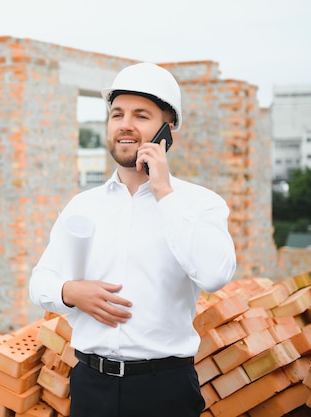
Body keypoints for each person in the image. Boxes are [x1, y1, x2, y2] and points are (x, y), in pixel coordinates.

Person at [29, 62, 237, 417]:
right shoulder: (83, 205)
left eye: (141, 115)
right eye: (117, 114)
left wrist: (163, 191)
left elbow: (215, 274)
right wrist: (70, 292)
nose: (125, 124)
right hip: (91, 387)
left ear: (166, 131)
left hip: (165, 390)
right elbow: (40, 281)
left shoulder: (199, 204)